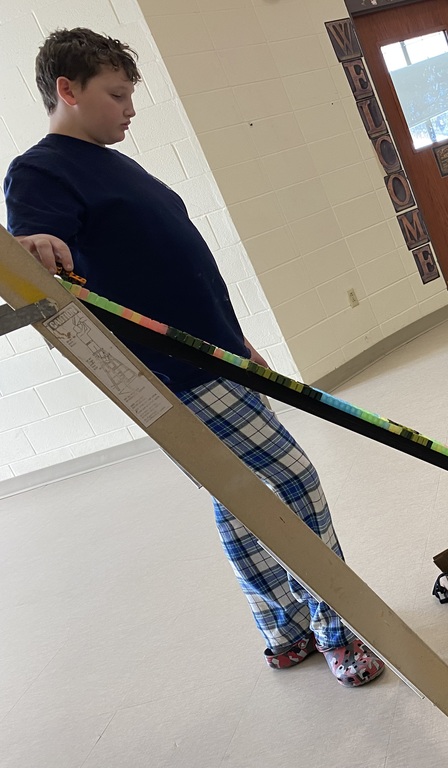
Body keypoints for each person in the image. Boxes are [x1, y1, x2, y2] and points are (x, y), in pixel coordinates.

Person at [3, 28, 383, 688]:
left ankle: (282, 632)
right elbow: (31, 241)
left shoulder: (115, 164)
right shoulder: (41, 170)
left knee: (235, 497)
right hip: (176, 372)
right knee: (295, 479)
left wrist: (241, 344)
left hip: (219, 355)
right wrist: (33, 243)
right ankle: (335, 626)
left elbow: (179, 272)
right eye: (116, 94)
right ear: (67, 90)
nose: (129, 109)